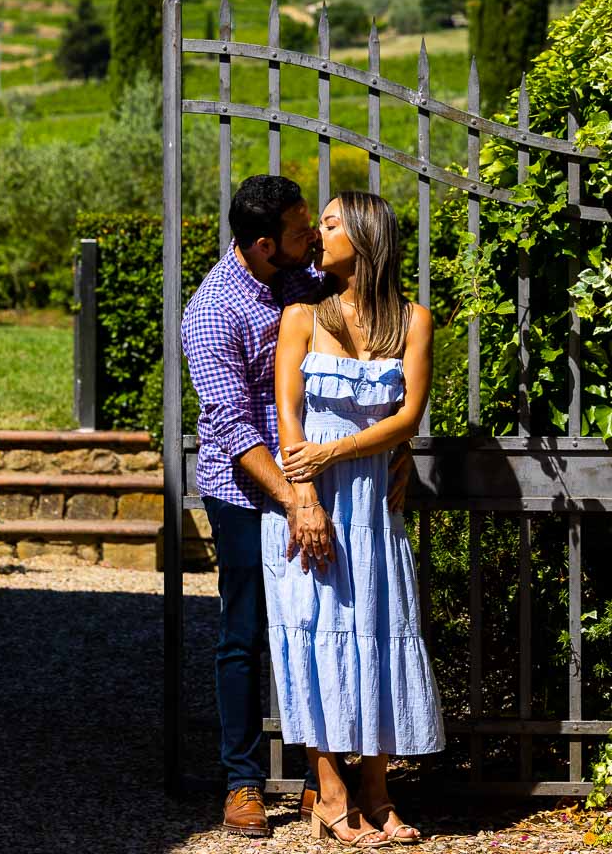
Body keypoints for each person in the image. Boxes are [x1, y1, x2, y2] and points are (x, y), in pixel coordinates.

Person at [182, 176, 413, 838]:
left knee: (326, 622)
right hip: (248, 490)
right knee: (246, 633)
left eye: (314, 223)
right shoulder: (213, 312)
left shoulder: (304, 275)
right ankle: (243, 782)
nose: (313, 236)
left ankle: (325, 782)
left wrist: (400, 443)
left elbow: (375, 353)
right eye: (298, 231)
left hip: (327, 478)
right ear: (261, 246)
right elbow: (232, 426)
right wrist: (292, 499)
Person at [263, 190, 444, 848]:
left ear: (365, 238)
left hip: (372, 504)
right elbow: (288, 417)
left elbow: (407, 419)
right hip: (311, 503)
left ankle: (377, 790)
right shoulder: (301, 316)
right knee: (312, 638)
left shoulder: (414, 322)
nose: (319, 234)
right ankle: (330, 794)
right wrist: (305, 491)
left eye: (332, 224)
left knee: (379, 636)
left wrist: (344, 450)